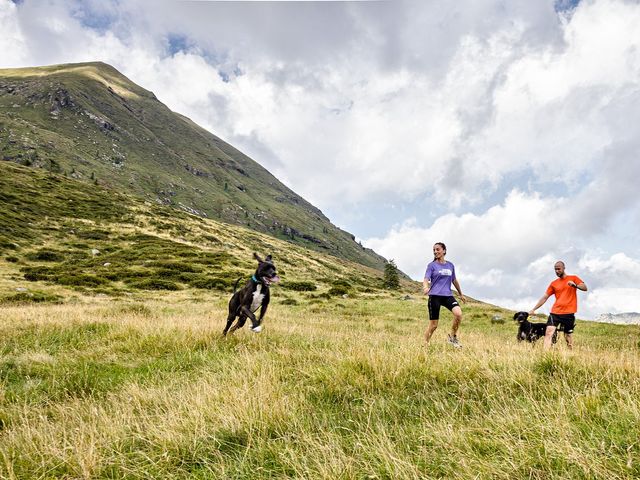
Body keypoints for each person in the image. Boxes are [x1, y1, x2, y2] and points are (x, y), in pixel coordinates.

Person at [529, 260, 587, 350]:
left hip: (569, 313)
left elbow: (584, 287)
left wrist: (575, 285)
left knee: (567, 335)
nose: (557, 271)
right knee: (548, 332)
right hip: (555, 312)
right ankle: (545, 355)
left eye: (559, 269)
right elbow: (545, 297)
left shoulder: (573, 278)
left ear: (564, 268)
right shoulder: (554, 283)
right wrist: (534, 309)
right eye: (555, 269)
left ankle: (571, 353)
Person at [423, 242, 465, 348]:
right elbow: (426, 278)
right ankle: (424, 345)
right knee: (433, 326)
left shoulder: (450, 265)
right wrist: (425, 287)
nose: (435, 252)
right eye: (434, 250)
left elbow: (454, 280)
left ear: (444, 251)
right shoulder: (431, 265)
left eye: (438, 249)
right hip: (435, 296)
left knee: (458, 314)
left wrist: (461, 294)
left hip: (447, 295)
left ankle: (452, 337)